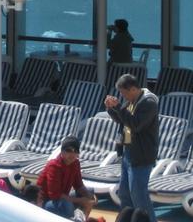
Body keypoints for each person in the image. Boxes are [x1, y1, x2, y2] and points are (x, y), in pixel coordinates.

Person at [105, 74, 160, 222]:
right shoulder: (132, 99)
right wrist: (111, 109)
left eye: (124, 93)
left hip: (141, 156)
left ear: (134, 89)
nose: (122, 96)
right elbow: (122, 120)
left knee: (139, 197)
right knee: (125, 194)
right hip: (128, 153)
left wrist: (118, 107)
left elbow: (135, 125)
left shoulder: (149, 103)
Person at [35, 136, 95, 218]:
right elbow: (55, 196)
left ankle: (81, 219)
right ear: (62, 151)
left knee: (90, 191)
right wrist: (82, 201)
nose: (72, 154)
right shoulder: (54, 166)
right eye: (69, 150)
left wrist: (89, 197)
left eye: (75, 151)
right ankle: (74, 218)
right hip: (45, 203)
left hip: (61, 198)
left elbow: (79, 185)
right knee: (66, 204)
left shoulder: (75, 163)